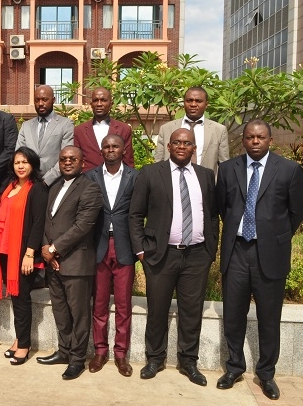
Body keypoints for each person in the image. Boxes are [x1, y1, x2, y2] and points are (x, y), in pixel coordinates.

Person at [215, 120, 303, 400]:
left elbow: (298, 211)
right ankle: (234, 367)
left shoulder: (289, 170)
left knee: (270, 318)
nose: (255, 141)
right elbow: (223, 207)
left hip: (270, 254)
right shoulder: (229, 169)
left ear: (270, 140)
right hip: (237, 251)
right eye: (250, 137)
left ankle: (266, 373)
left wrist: (275, 236)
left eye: (261, 137)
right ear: (243, 140)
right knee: (233, 315)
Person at [129, 128, 219, 386]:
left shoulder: (205, 175)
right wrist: (141, 249)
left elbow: (212, 215)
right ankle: (155, 358)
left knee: (192, 311)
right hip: (161, 255)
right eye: (177, 142)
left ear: (194, 148)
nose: (182, 146)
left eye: (187, 143)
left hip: (197, 255)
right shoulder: (150, 173)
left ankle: (189, 361)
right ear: (168, 146)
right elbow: (135, 215)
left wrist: (210, 249)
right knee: (157, 308)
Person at [38, 146, 103, 380]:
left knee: (79, 314)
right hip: (52, 261)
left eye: (72, 159)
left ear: (82, 162)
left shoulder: (90, 188)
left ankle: (77, 359)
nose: (67, 162)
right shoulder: (54, 187)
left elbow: (83, 225)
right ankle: (64, 351)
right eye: (63, 159)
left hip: (76, 262)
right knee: (61, 311)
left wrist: (54, 249)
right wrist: (46, 249)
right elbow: (47, 221)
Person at [85, 135, 139, 376]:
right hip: (99, 246)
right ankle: (99, 351)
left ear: (123, 148)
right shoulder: (91, 176)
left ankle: (120, 354)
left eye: (115, 146)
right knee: (99, 303)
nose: (111, 150)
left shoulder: (135, 177)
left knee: (124, 305)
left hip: (124, 245)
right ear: (101, 149)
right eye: (106, 146)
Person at [0, 146, 48, 365]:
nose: (21, 166)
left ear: (32, 164)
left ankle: (24, 345)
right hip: (6, 251)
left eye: (25, 162)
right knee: (16, 299)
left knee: (22, 300)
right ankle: (18, 339)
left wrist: (30, 253)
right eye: (17, 162)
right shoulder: (11, 187)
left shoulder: (37, 189)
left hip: (23, 252)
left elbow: (38, 223)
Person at [154, 86, 229, 173]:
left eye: (198, 101)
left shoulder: (219, 130)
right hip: (171, 183)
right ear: (184, 103)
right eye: (189, 101)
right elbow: (159, 162)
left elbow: (224, 165)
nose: (193, 104)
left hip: (206, 185)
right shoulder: (166, 129)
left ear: (206, 104)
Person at [16, 85, 75, 186]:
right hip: (28, 182)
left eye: (44, 99)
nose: (40, 104)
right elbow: (19, 154)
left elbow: (65, 157)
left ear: (53, 100)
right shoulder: (26, 126)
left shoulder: (66, 124)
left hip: (56, 183)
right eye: (37, 100)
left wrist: (46, 180)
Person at [74, 87, 134, 171]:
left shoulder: (124, 129)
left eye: (103, 100)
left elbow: (128, 161)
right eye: (95, 100)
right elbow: (76, 160)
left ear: (111, 104)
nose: (99, 104)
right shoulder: (79, 131)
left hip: (116, 180)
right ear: (91, 104)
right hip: (87, 181)